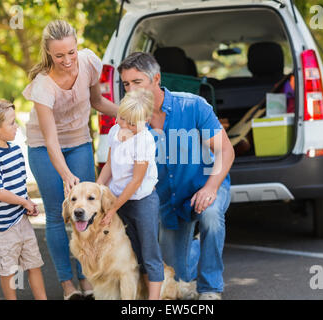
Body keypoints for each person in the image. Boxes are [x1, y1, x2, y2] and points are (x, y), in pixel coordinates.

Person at [117, 52, 235, 300]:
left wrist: (211, 187)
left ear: (156, 78)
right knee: (176, 281)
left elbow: (226, 150)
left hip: (205, 186)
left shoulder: (193, 106)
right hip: (169, 204)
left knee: (212, 217)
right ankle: (195, 251)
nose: (130, 89)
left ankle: (210, 288)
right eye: (126, 84)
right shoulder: (131, 122)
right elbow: (120, 167)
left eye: (137, 82)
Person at [22, 20, 118, 300]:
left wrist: (126, 114)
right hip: (43, 147)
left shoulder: (89, 62)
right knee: (57, 213)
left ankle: (87, 276)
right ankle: (67, 283)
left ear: (78, 46)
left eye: (71, 52)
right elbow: (51, 140)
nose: (67, 60)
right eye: (59, 55)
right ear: (49, 53)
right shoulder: (43, 87)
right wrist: (66, 175)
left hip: (79, 142)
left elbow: (98, 103)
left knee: (88, 212)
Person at [0, 98, 47, 300]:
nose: (17, 127)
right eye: (12, 123)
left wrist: (27, 202)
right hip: (1, 226)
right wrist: (23, 202)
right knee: (10, 269)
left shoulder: (15, 151)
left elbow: (18, 186)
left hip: (20, 220)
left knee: (33, 263)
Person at [96, 88, 164, 300]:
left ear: (145, 120)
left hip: (141, 202)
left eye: (132, 124)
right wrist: (98, 189)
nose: (125, 126)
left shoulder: (144, 140)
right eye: (122, 119)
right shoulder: (115, 130)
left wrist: (113, 208)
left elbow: (136, 181)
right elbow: (109, 163)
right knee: (130, 250)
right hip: (118, 200)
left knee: (148, 253)